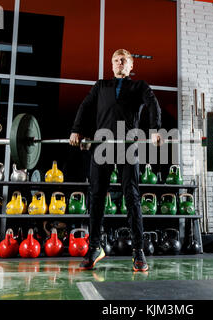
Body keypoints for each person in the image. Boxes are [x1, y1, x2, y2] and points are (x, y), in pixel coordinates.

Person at [69, 49, 163, 272]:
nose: (119, 63)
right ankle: (94, 248)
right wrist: (77, 130)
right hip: (102, 144)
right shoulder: (101, 86)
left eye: (124, 60)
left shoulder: (139, 87)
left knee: (131, 196)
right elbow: (85, 107)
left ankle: (138, 251)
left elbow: (153, 104)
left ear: (131, 66)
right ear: (112, 65)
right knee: (97, 196)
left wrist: (155, 130)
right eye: (115, 60)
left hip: (128, 144)